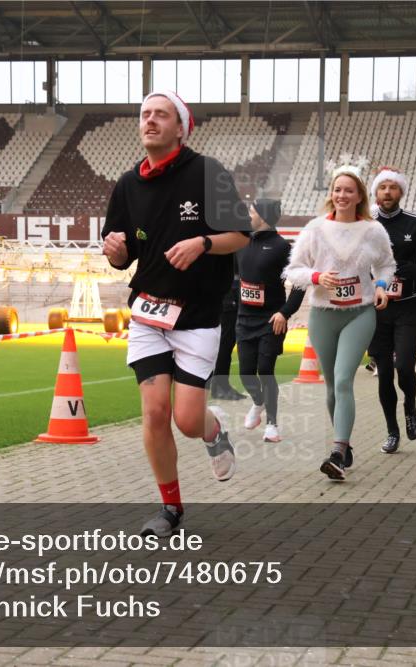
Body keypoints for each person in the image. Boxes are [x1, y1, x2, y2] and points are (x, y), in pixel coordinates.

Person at [101, 90, 251, 537]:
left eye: (160, 115)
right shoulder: (127, 185)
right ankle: (170, 509)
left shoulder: (208, 174)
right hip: (148, 314)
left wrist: (203, 243)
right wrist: (114, 250)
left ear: (181, 127)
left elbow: (240, 235)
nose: (150, 121)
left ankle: (213, 433)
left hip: (199, 315)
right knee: (153, 413)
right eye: (145, 114)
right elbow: (120, 256)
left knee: (187, 420)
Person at [284, 165, 395, 480]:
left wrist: (383, 287)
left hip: (359, 312)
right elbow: (293, 271)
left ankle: (337, 449)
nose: (342, 195)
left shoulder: (372, 230)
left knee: (344, 379)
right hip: (323, 313)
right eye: (337, 189)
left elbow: (386, 265)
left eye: (349, 190)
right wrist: (318, 276)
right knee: (332, 386)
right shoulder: (315, 229)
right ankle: (344, 450)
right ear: (331, 194)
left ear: (359, 195)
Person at [366, 168, 416, 455]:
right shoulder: (365, 223)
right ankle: (392, 431)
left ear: (401, 192)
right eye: (382, 187)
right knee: (384, 372)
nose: (387, 192)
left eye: (393, 187)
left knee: (404, 368)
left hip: (408, 306)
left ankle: (410, 405)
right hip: (375, 309)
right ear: (375, 192)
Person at [236, 198, 305, 443]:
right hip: (244, 320)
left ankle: (272, 425)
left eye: (252, 211)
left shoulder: (283, 248)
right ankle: (258, 402)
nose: (248, 215)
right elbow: (236, 279)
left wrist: (284, 313)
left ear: (263, 216)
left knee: (265, 371)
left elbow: (299, 285)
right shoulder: (242, 242)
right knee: (246, 373)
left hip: (271, 320)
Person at [210, 259, 248, 401]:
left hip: (230, 291)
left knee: (226, 343)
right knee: (225, 343)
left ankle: (219, 385)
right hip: (230, 294)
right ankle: (220, 386)